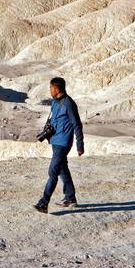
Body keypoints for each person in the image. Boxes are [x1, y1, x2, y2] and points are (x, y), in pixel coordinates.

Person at [33, 76, 84, 213]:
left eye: (51, 88)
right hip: (55, 141)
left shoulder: (69, 104)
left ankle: (43, 203)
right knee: (62, 169)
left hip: (63, 143)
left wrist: (80, 145)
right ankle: (70, 198)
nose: (49, 90)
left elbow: (77, 125)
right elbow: (53, 121)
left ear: (56, 89)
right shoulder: (55, 103)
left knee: (53, 171)